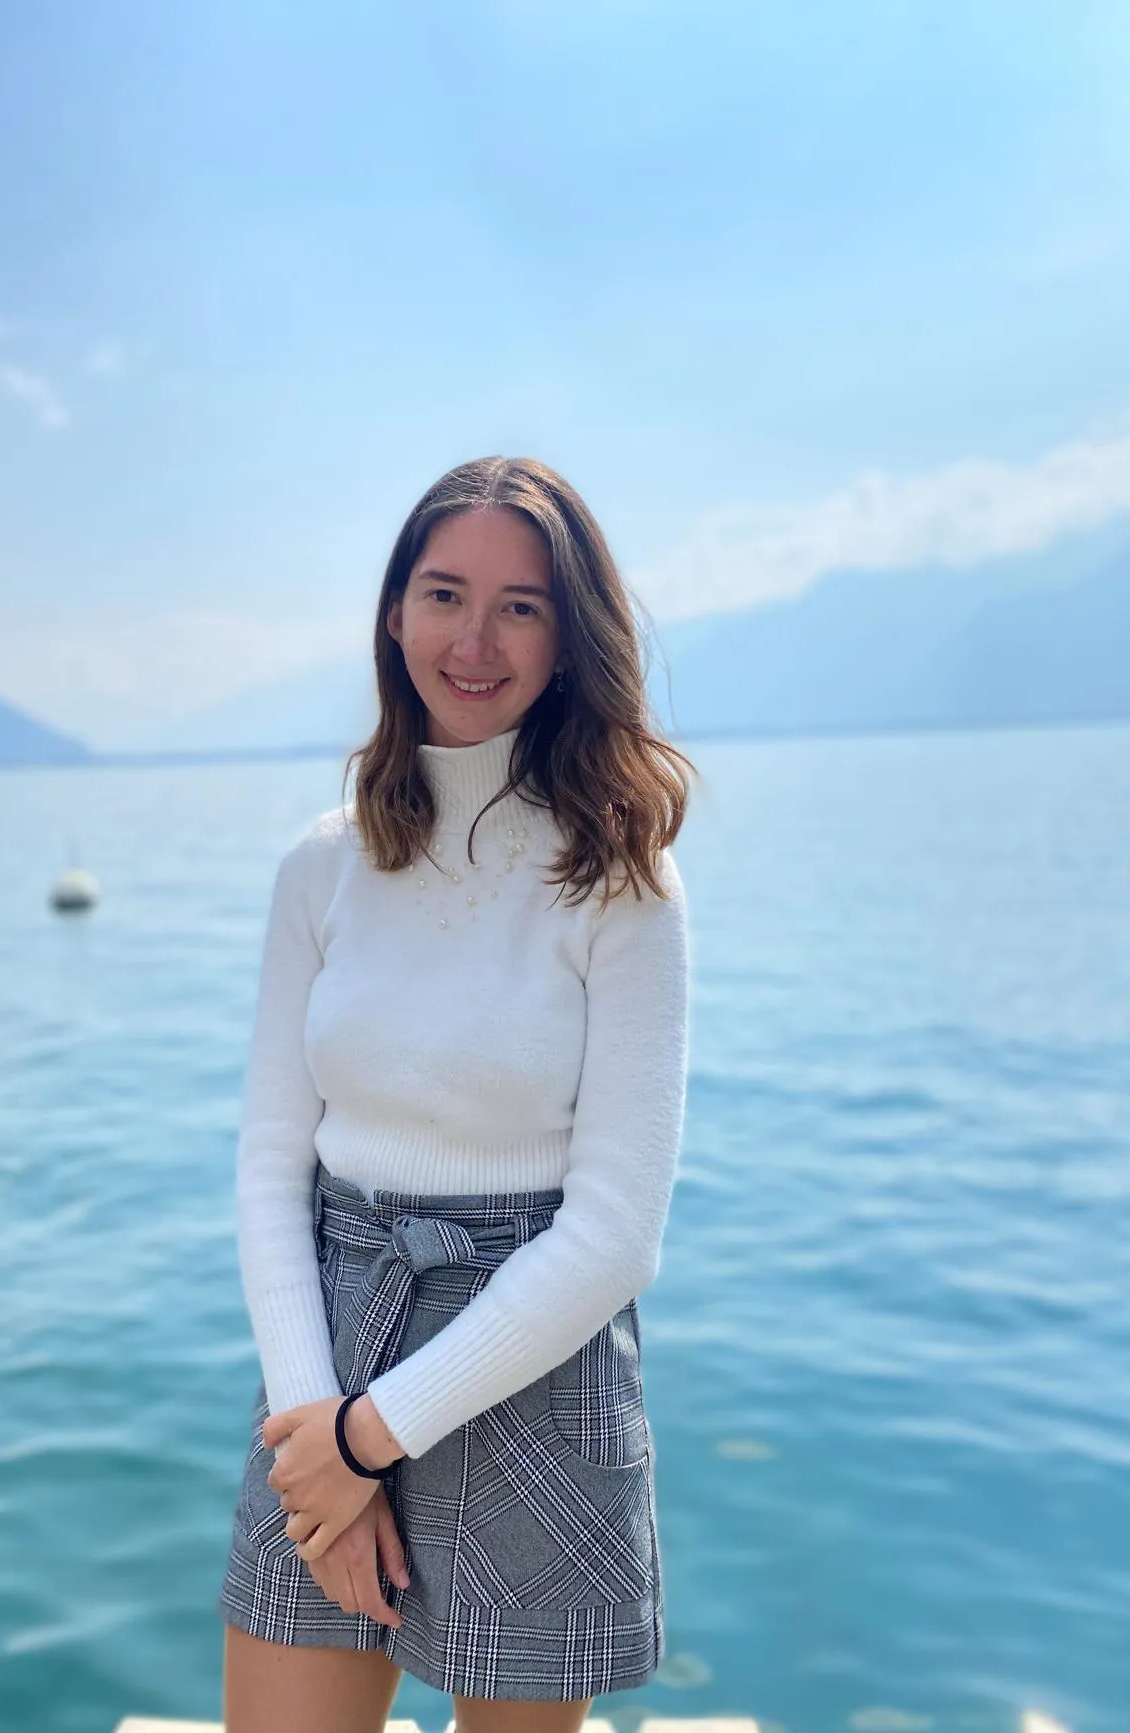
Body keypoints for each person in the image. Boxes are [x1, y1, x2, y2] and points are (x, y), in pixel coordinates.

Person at [218, 455, 696, 1733]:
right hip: (328, 1351)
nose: (473, 641)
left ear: (568, 639)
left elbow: (616, 1233)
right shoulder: (320, 868)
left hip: (532, 1363)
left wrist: (369, 1437)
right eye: (444, 594)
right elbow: (270, 1168)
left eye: (519, 607)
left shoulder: (623, 880)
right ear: (394, 612)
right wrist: (317, 1427)